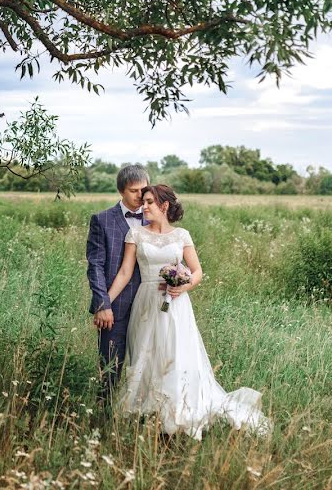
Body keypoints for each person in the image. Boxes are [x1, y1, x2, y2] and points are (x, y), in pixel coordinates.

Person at [106, 184, 271, 439]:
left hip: (176, 305)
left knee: (177, 355)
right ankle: (147, 410)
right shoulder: (136, 235)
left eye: (149, 202)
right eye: (144, 201)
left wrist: (182, 286)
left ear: (164, 206)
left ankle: (177, 412)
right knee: (144, 355)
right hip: (147, 302)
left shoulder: (182, 235)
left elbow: (197, 272)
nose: (144, 206)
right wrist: (104, 303)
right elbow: (126, 272)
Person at [86, 164, 149, 404]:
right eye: (134, 191)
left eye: (144, 190)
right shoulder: (102, 220)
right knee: (110, 367)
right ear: (121, 191)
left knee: (150, 363)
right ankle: (103, 415)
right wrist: (103, 304)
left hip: (149, 305)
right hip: (115, 306)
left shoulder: (154, 217)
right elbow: (95, 266)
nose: (140, 196)